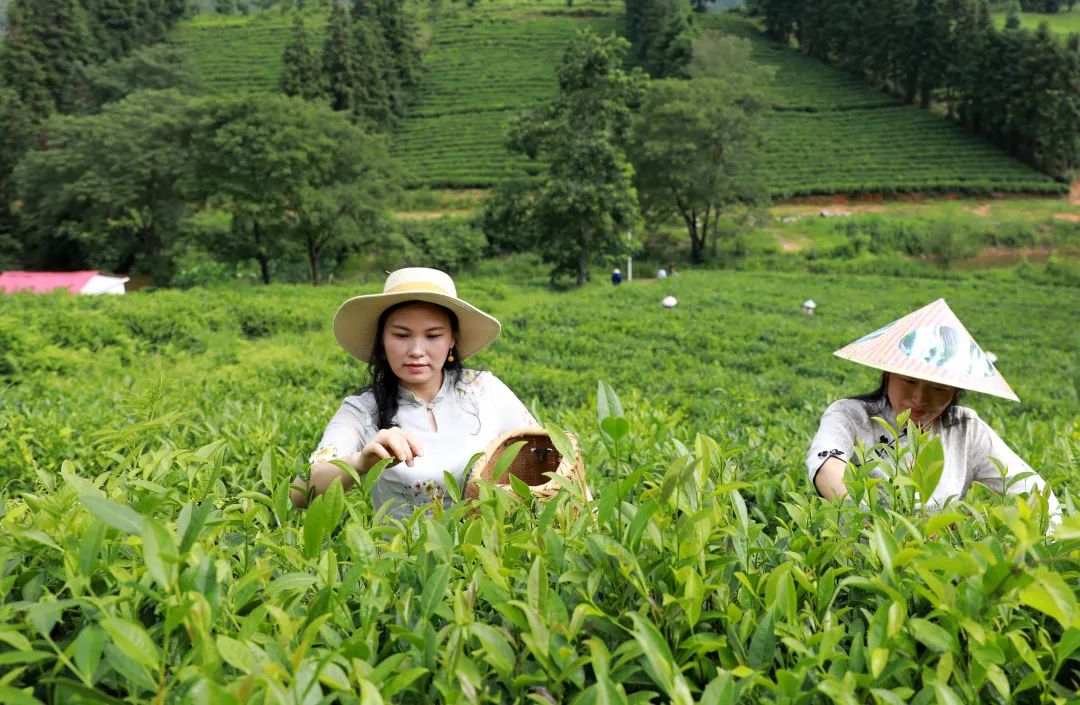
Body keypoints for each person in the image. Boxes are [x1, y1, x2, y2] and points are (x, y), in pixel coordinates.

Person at [291, 267, 537, 519]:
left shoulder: (484, 389)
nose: (417, 350)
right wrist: (361, 463)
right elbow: (300, 493)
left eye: (433, 335)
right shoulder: (362, 410)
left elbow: (548, 456)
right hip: (401, 556)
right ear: (382, 341)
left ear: (452, 339)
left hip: (484, 554)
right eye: (401, 335)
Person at [807, 298, 1060, 525]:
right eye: (909, 382)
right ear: (888, 374)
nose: (920, 398)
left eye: (939, 388)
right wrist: (872, 526)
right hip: (863, 558)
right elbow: (826, 464)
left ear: (955, 391)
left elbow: (1033, 490)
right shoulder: (852, 415)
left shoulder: (966, 429)